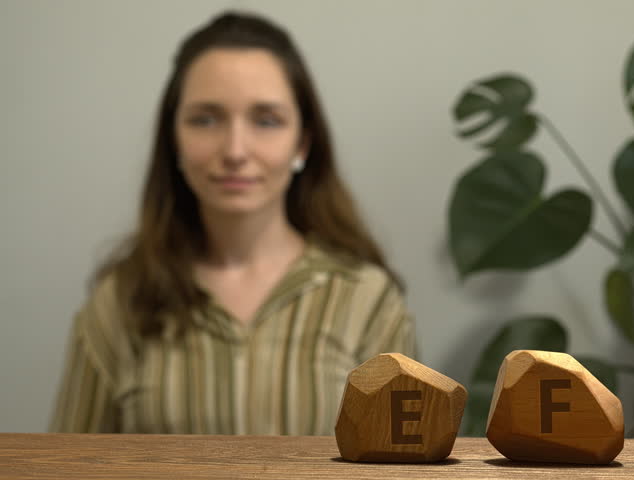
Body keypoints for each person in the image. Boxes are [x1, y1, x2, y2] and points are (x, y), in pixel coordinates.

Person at [50, 11, 416, 435]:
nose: (235, 149)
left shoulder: (368, 301)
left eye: (266, 120)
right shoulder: (119, 303)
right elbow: (67, 464)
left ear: (302, 143)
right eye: (206, 119)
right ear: (174, 141)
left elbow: (399, 464)